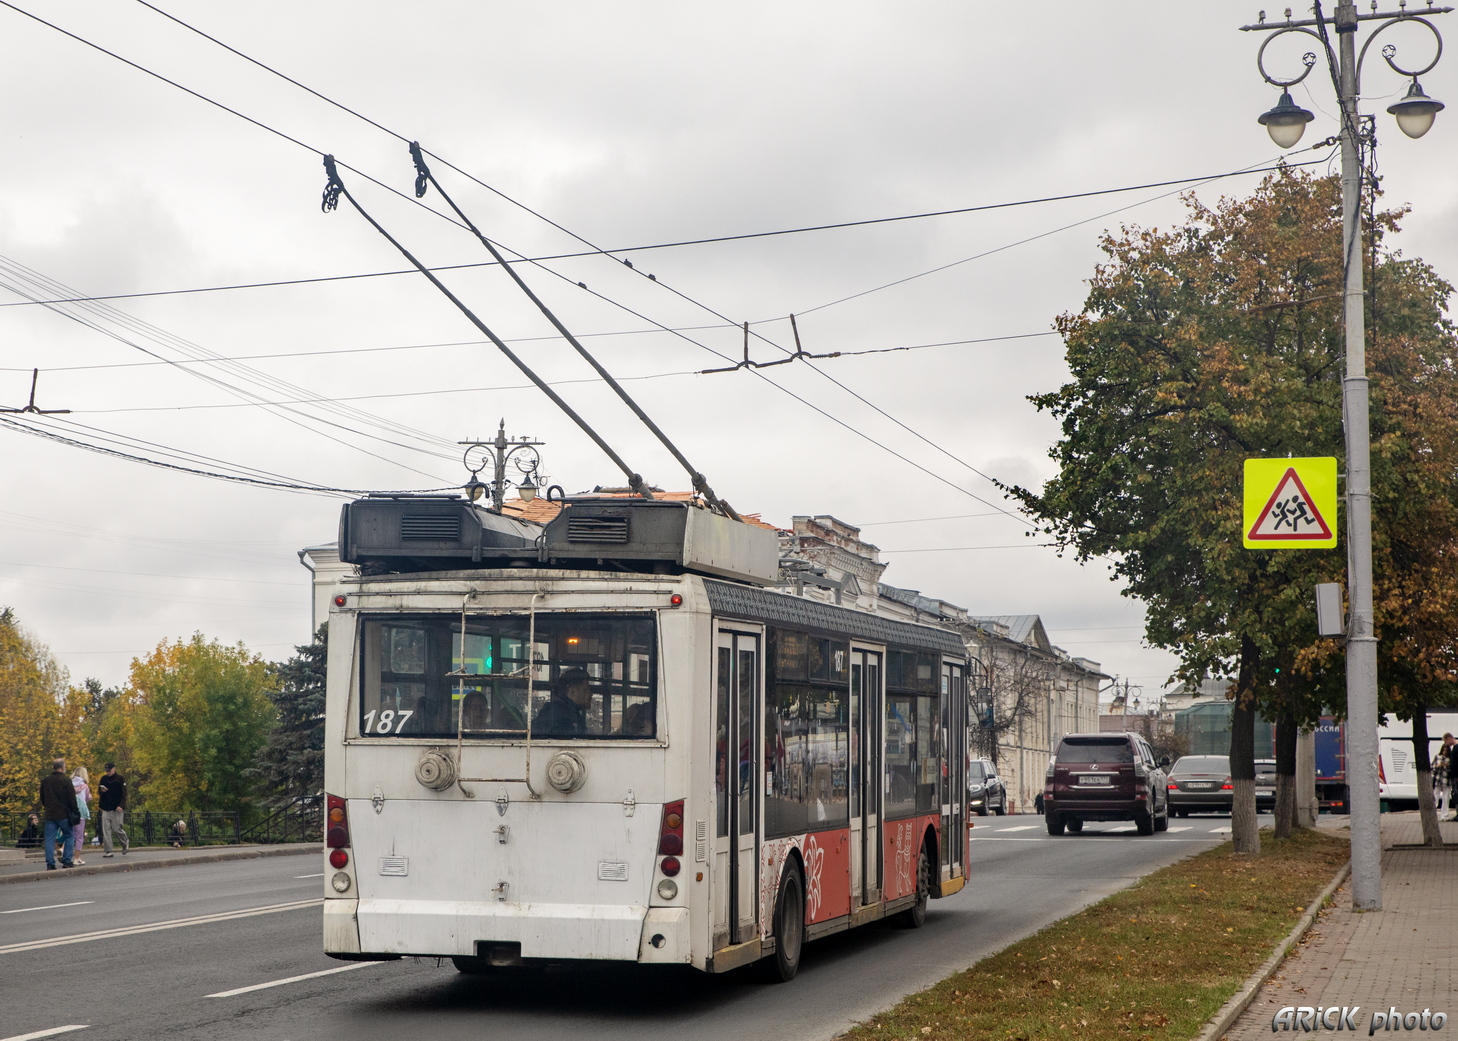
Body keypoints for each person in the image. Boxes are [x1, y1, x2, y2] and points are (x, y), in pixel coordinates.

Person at [39, 758, 79, 870]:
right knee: (70, 836)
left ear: (53, 767)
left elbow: (42, 797)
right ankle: (67, 861)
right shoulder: (66, 780)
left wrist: (47, 807)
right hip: (64, 814)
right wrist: (75, 812)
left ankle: (50, 863)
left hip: (50, 814)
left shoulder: (46, 781)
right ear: (62, 767)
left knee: (49, 839)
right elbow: (72, 799)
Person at [532, 668, 591, 735]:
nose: (590, 694)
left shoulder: (574, 714)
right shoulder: (555, 713)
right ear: (573, 692)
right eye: (585, 690)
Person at [98, 762, 129, 857]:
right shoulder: (103, 779)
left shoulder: (120, 778)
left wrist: (121, 805)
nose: (108, 772)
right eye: (106, 771)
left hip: (117, 808)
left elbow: (124, 793)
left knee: (116, 828)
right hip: (106, 807)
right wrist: (102, 791)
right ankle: (108, 850)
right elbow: (99, 791)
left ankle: (125, 841)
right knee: (106, 829)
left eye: (109, 770)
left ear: (114, 769)